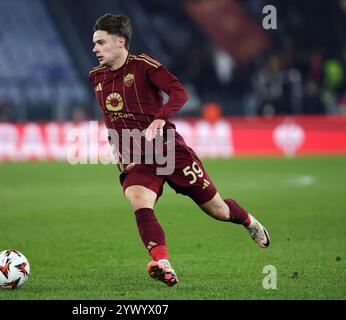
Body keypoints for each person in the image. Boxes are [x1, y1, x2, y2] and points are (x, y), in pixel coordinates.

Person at [89, 14, 270, 287]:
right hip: (137, 158)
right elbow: (113, 115)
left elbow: (178, 92)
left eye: (101, 42)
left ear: (121, 42)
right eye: (94, 43)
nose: (95, 49)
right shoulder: (96, 77)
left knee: (218, 210)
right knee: (139, 200)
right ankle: (163, 262)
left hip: (170, 150)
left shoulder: (144, 66)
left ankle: (249, 221)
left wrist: (161, 117)